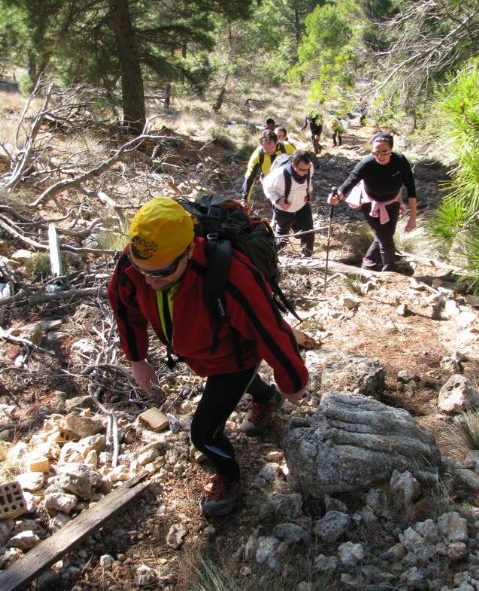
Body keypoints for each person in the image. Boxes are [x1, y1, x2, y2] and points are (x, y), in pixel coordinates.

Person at [108, 197, 309, 519]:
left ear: (189, 250)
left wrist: (293, 378)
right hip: (203, 352)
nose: (148, 280)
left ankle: (228, 476)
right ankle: (267, 399)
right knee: (235, 384)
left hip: (237, 354)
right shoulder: (136, 262)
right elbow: (124, 309)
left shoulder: (229, 273)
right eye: (142, 269)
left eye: (160, 273)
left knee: (203, 433)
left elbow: (268, 329)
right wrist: (137, 358)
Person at [327, 131, 417, 272]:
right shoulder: (367, 163)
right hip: (370, 203)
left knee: (387, 234)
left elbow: (411, 189)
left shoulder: (400, 161)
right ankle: (390, 272)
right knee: (386, 240)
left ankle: (369, 263)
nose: (380, 156)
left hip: (393, 201)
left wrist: (413, 218)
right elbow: (351, 181)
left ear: (391, 150)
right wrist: (338, 196)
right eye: (376, 152)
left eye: (384, 152)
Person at [263, 150, 315, 257]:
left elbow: (308, 183)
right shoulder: (279, 174)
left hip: (302, 205)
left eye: (307, 169)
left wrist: (309, 193)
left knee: (308, 233)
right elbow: (266, 187)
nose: (305, 172)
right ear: (293, 164)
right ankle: (274, 258)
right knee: (282, 238)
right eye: (302, 169)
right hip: (283, 209)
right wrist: (277, 200)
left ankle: (307, 258)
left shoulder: (310, 167)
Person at [241, 129, 295, 203]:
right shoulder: (258, 155)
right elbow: (250, 177)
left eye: (272, 147)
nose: (269, 151)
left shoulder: (287, 147)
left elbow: (300, 162)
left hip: (288, 182)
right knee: (277, 208)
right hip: (270, 186)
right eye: (266, 148)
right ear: (261, 145)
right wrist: (245, 200)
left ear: (276, 142)